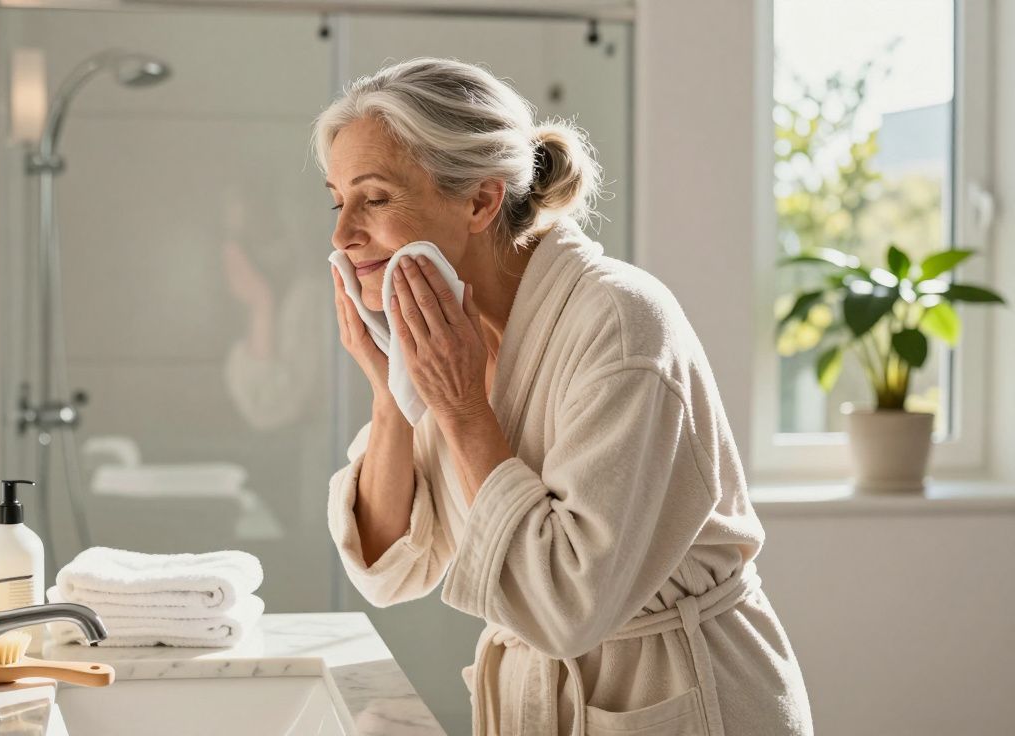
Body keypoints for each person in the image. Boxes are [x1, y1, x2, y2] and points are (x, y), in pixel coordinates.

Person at [318, 57, 813, 735]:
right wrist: (389, 397)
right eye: (337, 199)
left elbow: (566, 607)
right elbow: (390, 568)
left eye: (373, 198)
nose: (343, 234)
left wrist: (463, 407)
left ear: (480, 201)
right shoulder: (454, 337)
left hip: (682, 694)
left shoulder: (619, 321)